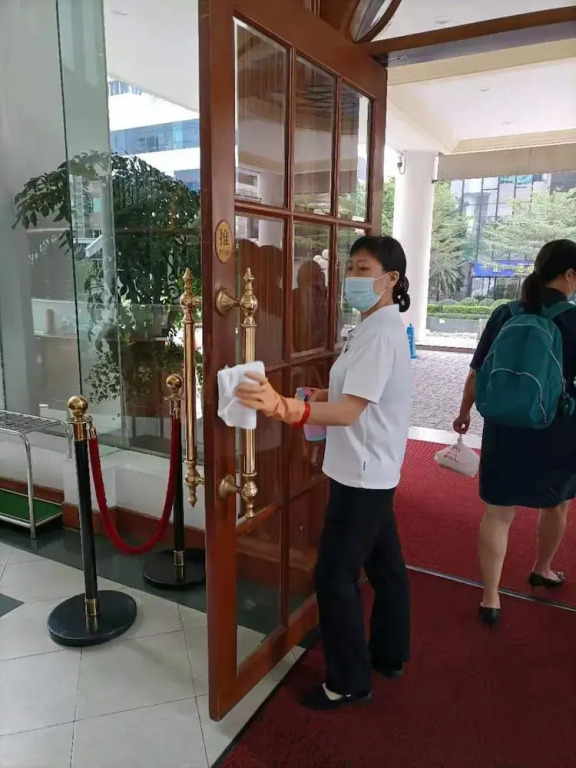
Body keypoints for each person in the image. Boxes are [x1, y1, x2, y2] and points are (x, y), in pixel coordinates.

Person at [236, 235, 413, 711]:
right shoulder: (373, 327)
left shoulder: (380, 334)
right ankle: (390, 653)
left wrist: (284, 407)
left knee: (334, 576)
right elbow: (355, 397)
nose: (352, 277)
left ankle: (350, 681)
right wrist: (317, 397)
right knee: (386, 567)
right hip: (370, 466)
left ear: (391, 279)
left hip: (362, 473)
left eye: (363, 269)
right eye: (350, 268)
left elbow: (351, 411)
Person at [453, 239, 576, 628]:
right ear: (570, 275)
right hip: (556, 427)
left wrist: (464, 413)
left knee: (498, 511)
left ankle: (490, 597)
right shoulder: (573, 320)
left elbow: (477, 372)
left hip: (503, 426)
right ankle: (542, 569)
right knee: (556, 504)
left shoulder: (504, 313)